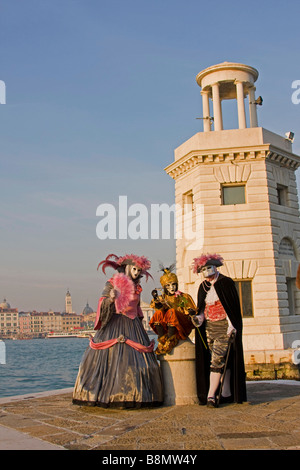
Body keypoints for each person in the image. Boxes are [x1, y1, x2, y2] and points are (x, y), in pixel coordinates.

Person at [72, 253, 164, 408]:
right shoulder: (112, 283)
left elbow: (138, 307)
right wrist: (110, 298)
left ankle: (136, 395)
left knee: (136, 362)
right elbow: (103, 302)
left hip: (134, 325)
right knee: (114, 359)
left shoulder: (137, 287)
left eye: (139, 271)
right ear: (126, 267)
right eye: (134, 269)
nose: (136, 273)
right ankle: (110, 394)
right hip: (115, 324)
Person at [191, 253, 247, 407]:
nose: (206, 272)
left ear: (215, 267)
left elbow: (231, 308)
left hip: (223, 327)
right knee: (219, 360)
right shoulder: (203, 287)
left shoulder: (226, 283)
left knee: (217, 360)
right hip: (209, 328)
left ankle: (210, 396)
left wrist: (231, 325)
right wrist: (198, 319)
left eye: (209, 268)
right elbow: (202, 309)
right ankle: (226, 392)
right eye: (203, 269)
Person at [149, 264, 196, 355]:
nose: (172, 287)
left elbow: (191, 310)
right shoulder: (162, 298)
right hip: (167, 326)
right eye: (168, 285)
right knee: (158, 313)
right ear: (164, 287)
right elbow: (158, 308)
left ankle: (171, 340)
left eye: (174, 284)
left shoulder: (183, 297)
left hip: (182, 325)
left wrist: (191, 311)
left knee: (172, 312)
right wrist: (156, 300)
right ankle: (163, 338)